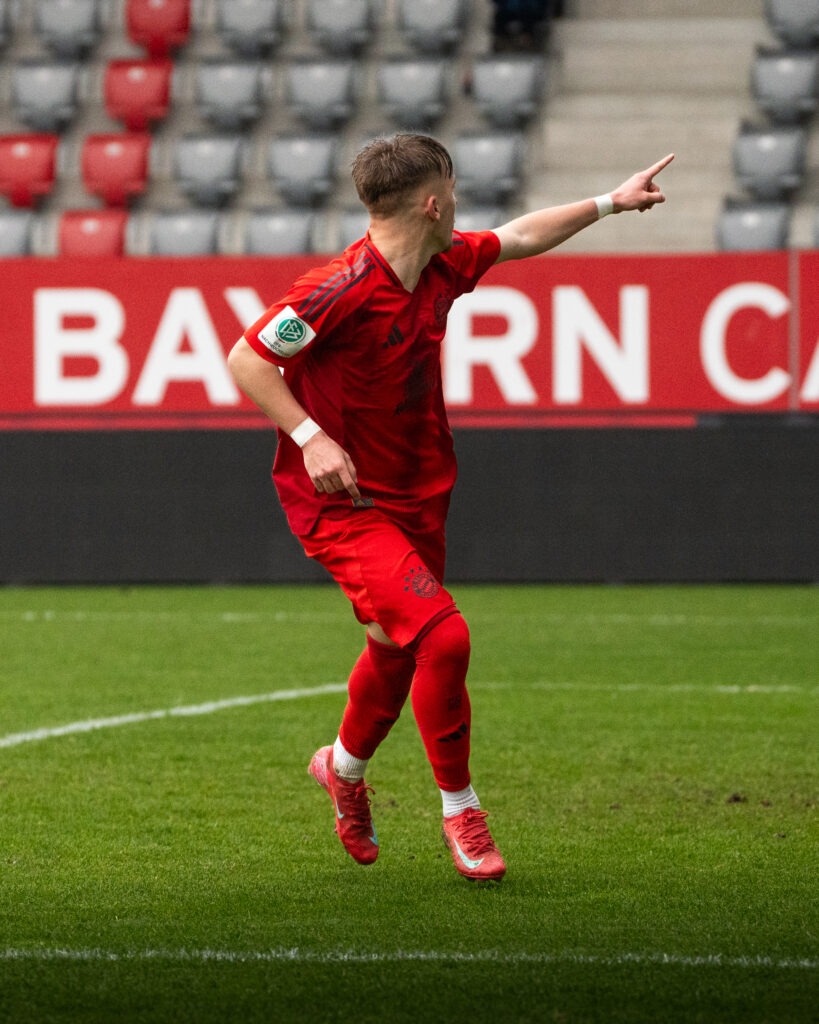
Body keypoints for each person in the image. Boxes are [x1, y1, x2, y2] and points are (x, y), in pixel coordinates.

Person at [228, 134, 673, 883]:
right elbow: (248, 358)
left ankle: (341, 768)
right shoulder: (335, 289)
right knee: (445, 637)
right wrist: (309, 437)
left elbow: (521, 234)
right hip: (346, 499)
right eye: (454, 189)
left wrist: (608, 203)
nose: (460, 202)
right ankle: (460, 809)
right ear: (433, 202)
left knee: (396, 646)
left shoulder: (443, 262)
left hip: (418, 489)